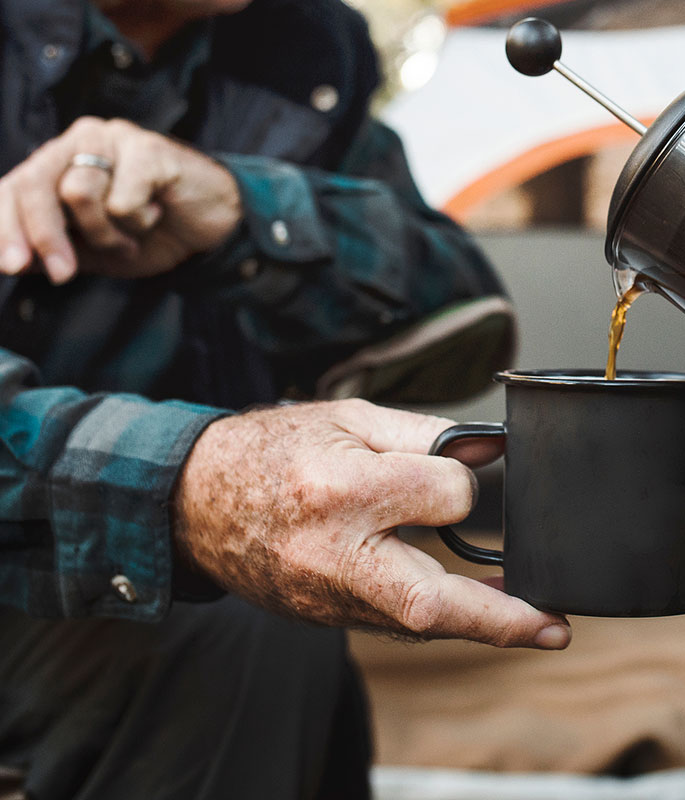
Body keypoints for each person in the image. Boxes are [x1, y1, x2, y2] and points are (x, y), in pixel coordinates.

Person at [0, 1, 570, 798]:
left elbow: (461, 305)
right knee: (232, 628)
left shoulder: (304, 41)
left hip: (219, 610)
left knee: (275, 618)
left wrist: (244, 212)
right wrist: (188, 489)